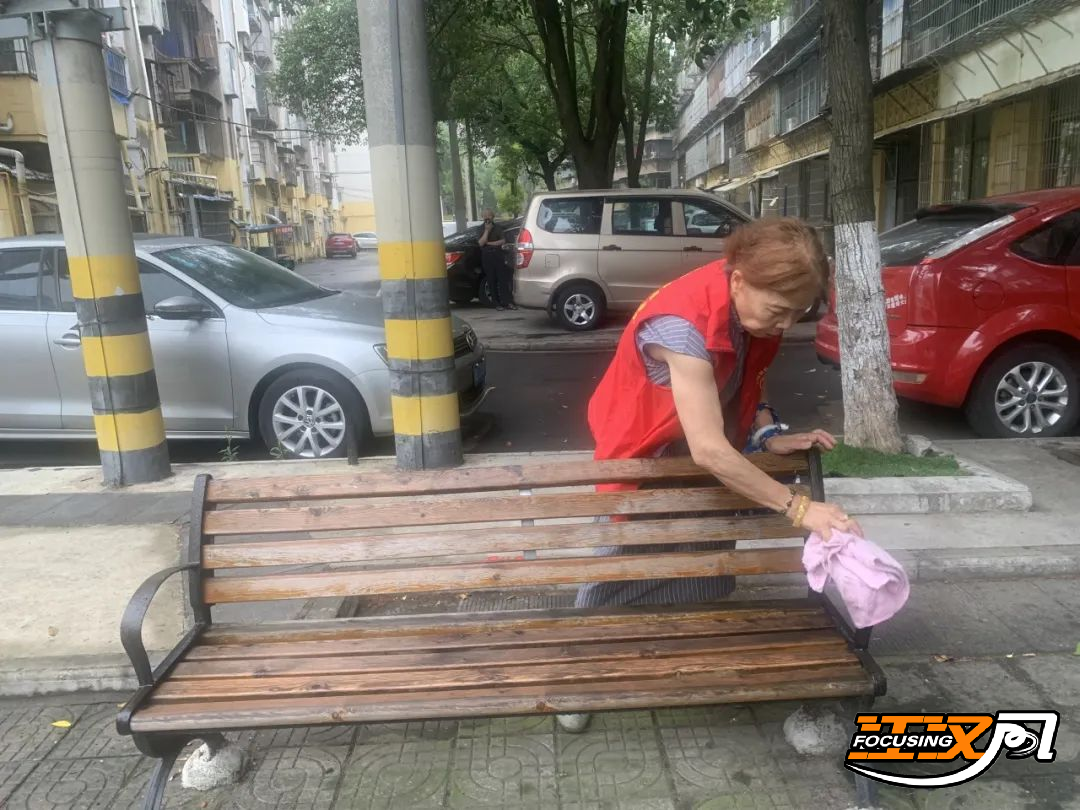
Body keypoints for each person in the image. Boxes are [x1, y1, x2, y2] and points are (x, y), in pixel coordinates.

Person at [556, 217, 861, 734]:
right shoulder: (682, 326)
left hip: (696, 448)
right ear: (738, 280)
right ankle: (578, 674)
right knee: (618, 565)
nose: (785, 325)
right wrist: (800, 509)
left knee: (701, 566)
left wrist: (766, 432)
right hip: (644, 452)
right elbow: (710, 451)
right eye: (779, 311)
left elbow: (745, 373)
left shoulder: (750, 310)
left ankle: (667, 646)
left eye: (798, 314)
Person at [478, 209, 515, 310]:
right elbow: (481, 243)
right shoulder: (480, 229)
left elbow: (502, 241)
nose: (487, 218)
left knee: (503, 279)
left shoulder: (498, 227)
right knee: (491, 280)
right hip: (487, 256)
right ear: (482, 217)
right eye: (485, 216)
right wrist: (487, 230)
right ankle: (496, 303)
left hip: (498, 255)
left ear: (493, 217)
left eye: (489, 215)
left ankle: (507, 302)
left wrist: (489, 243)